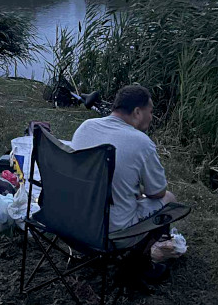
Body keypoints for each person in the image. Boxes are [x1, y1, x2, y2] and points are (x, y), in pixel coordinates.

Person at [70, 84, 176, 240]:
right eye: (151, 112)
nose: (152, 117)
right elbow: (157, 192)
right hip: (111, 231)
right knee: (169, 198)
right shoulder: (142, 143)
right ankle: (152, 247)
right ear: (137, 112)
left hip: (74, 221)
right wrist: (140, 190)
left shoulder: (86, 126)